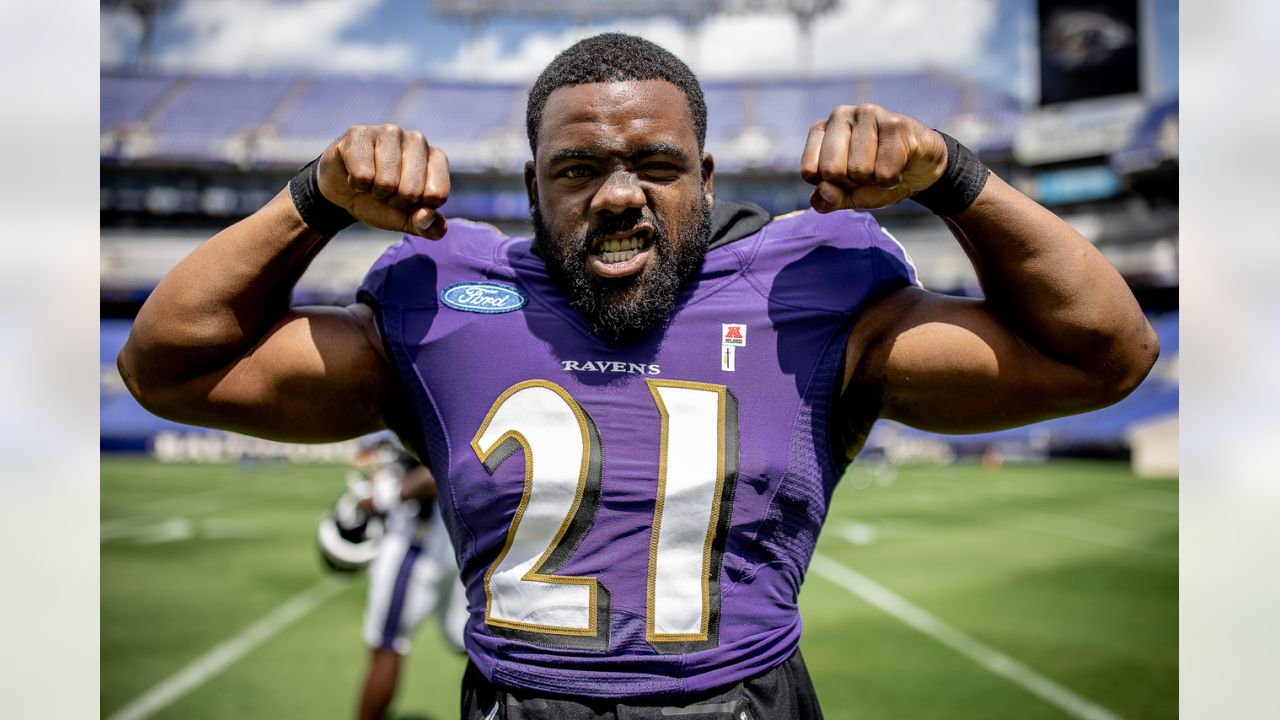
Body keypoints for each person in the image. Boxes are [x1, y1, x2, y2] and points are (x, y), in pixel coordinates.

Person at [118, 33, 1157, 719]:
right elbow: (167, 363)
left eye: (655, 164)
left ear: (703, 179)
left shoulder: (814, 295)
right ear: (532, 188)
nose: (618, 195)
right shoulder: (440, 304)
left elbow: (1104, 351)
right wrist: (315, 198)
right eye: (577, 170)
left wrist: (956, 178)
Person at [340, 438, 468, 720]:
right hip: (451, 546)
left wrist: (385, 496)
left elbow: (441, 470)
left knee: (387, 646)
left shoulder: (431, 402)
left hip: (417, 547)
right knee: (469, 645)